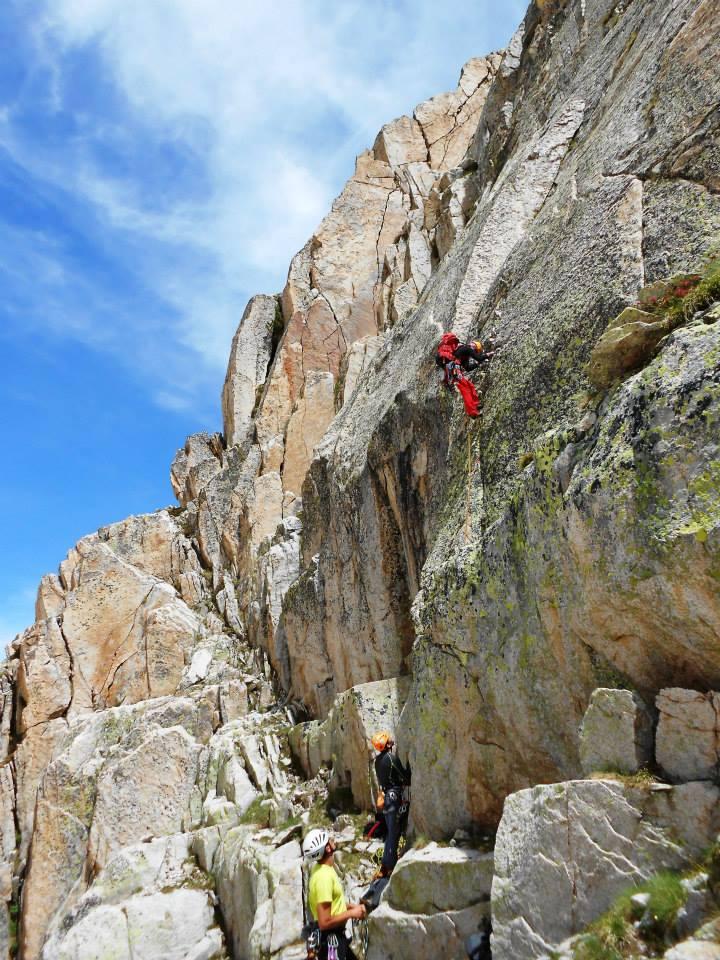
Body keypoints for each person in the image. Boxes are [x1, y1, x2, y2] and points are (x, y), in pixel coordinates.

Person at [303, 828, 366, 959]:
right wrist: (352, 913)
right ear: (327, 849)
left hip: (336, 937)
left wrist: (349, 907)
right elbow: (324, 922)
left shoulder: (322, 869)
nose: (333, 840)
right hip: (332, 941)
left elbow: (332, 906)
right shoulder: (323, 877)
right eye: (329, 840)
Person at [371, 731, 411, 876]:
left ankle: (386, 865)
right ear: (387, 744)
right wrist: (409, 763)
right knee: (394, 832)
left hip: (386, 798)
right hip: (393, 797)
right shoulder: (391, 758)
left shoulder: (377, 761)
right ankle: (390, 867)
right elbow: (406, 778)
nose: (391, 741)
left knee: (390, 831)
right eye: (389, 740)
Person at [435, 332, 494, 418]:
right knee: (465, 389)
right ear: (475, 348)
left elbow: (467, 368)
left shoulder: (464, 355)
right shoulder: (466, 348)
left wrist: (477, 364)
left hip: (454, 370)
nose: (475, 353)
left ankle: (475, 405)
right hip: (455, 370)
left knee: (470, 386)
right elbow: (479, 357)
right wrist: (488, 355)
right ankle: (472, 413)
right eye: (476, 351)